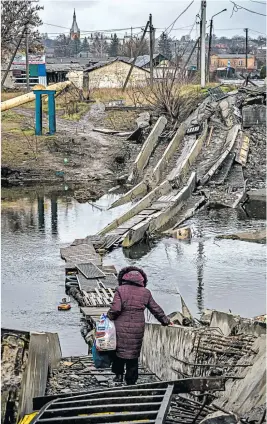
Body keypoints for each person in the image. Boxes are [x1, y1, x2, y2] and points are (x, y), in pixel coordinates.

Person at [107, 266, 172, 386]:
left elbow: (115, 309)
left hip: (120, 327)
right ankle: (131, 381)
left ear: (124, 278)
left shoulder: (120, 290)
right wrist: (166, 321)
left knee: (118, 352)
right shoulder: (146, 293)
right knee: (133, 353)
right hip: (137, 328)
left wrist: (109, 317)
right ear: (142, 280)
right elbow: (155, 309)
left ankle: (118, 375)